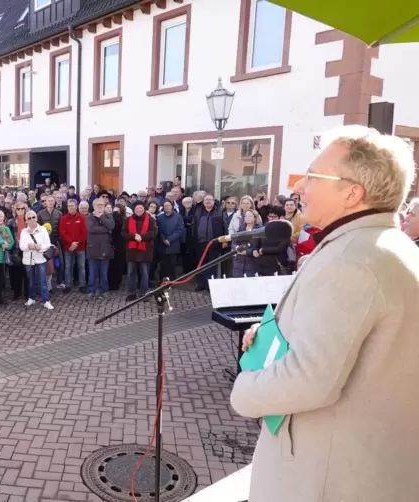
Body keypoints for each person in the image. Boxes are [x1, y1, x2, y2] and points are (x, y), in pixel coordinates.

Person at [231, 126, 419, 502]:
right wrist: (273, 333)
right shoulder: (381, 245)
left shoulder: (352, 261)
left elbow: (309, 379)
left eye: (313, 177)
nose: (299, 187)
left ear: (353, 193)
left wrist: (244, 389)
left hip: (325, 477)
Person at [122, 202, 157, 301]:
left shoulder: (151, 220)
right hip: (131, 251)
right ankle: (131, 293)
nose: (139, 210)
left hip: (145, 250)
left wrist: (142, 237)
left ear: (144, 209)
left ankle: (143, 293)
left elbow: (153, 233)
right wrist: (134, 237)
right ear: (134, 209)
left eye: (141, 208)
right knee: (131, 273)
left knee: (144, 273)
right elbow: (123, 233)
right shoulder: (128, 220)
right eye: (137, 208)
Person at [19, 210, 54, 310]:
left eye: (33, 217)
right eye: (29, 218)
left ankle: (46, 300)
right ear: (26, 220)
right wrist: (29, 246)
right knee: (30, 280)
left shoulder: (42, 229)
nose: (32, 219)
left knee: (43, 280)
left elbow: (48, 244)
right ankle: (31, 297)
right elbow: (21, 246)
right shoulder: (23, 231)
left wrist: (39, 247)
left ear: (37, 218)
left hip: (40, 258)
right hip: (28, 259)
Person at [85, 198, 115, 299]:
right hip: (92, 249)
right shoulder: (89, 217)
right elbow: (91, 229)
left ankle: (104, 291)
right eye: (98, 205)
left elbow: (111, 226)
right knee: (92, 273)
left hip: (105, 249)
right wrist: (105, 229)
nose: (100, 206)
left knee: (104, 273)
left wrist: (102, 217)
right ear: (93, 206)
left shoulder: (108, 216)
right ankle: (91, 291)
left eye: (102, 205)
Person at [59, 199, 87, 294]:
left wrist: (76, 243)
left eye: (72, 205)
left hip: (80, 247)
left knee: (81, 267)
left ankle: (82, 285)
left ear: (76, 206)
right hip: (68, 248)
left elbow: (84, 233)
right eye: (69, 206)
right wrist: (71, 243)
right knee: (68, 267)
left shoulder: (82, 218)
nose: (71, 207)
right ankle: (68, 285)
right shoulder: (64, 219)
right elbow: (63, 233)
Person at [156, 200, 185, 281]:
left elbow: (180, 230)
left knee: (172, 264)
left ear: (172, 206)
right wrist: (164, 239)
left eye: (168, 205)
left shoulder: (178, 217)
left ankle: (171, 281)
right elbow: (159, 230)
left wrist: (169, 239)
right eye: (165, 206)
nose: (167, 207)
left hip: (173, 244)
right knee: (162, 264)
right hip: (162, 244)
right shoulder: (159, 217)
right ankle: (162, 281)